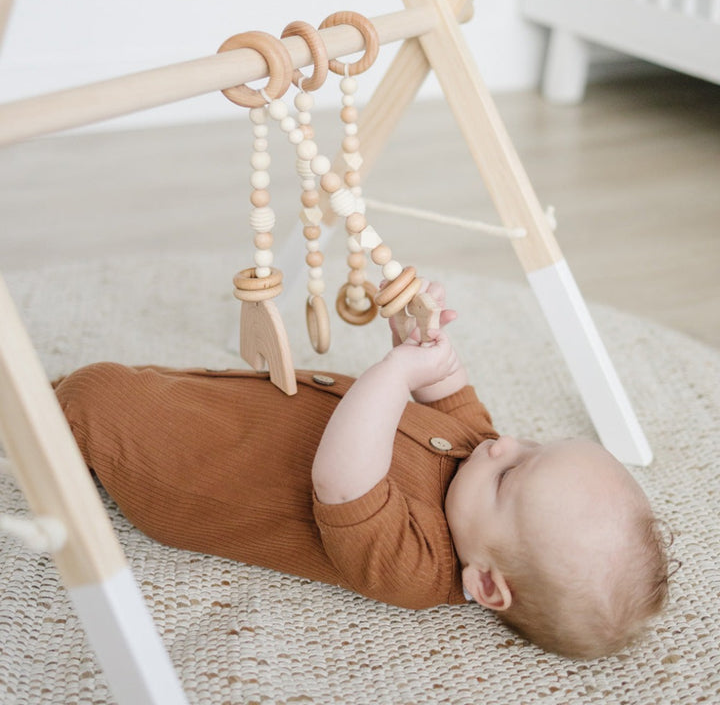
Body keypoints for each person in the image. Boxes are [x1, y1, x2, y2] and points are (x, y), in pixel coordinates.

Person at [53, 282, 670, 659]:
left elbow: (343, 480)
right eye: (533, 442)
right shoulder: (483, 459)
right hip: (253, 411)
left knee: (98, 399)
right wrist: (422, 344)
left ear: (485, 584)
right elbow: (451, 393)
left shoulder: (415, 568)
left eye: (513, 476)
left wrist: (396, 373)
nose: (501, 445)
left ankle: (33, 426)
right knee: (159, 384)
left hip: (199, 471)